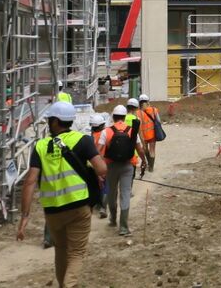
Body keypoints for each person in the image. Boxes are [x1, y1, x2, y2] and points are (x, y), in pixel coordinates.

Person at [17, 102, 107, 288]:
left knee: (61, 250)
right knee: (76, 253)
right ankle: (70, 284)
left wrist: (24, 216)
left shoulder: (41, 146)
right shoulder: (82, 141)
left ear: (56, 121)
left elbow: (30, 181)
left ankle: (63, 285)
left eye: (50, 120)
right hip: (78, 207)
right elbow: (102, 168)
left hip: (52, 211)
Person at [96, 106, 144, 236]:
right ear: (124, 117)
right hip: (127, 166)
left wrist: (99, 168)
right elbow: (139, 149)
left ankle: (112, 219)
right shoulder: (131, 131)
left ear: (113, 117)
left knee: (112, 193)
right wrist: (144, 161)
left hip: (111, 166)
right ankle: (123, 227)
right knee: (125, 193)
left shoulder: (106, 131)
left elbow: (98, 151)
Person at [88, 114, 108, 219]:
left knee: (96, 185)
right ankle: (103, 207)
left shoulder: (89, 137)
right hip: (104, 164)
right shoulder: (105, 134)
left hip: (92, 165)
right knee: (105, 185)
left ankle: (96, 205)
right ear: (101, 125)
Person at [136, 94, 161, 173]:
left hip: (143, 135)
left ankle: (148, 163)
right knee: (152, 150)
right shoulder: (154, 110)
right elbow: (159, 121)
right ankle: (151, 168)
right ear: (148, 101)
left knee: (145, 149)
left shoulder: (137, 112)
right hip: (152, 134)